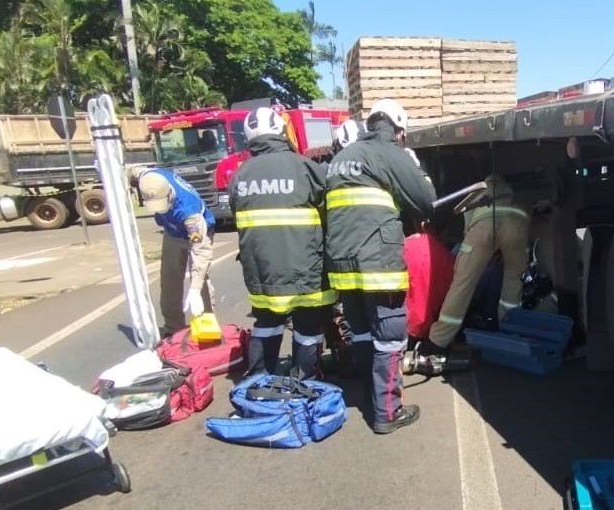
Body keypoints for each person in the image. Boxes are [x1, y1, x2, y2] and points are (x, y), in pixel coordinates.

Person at [324, 98, 435, 435]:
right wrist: (415, 168)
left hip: (342, 263)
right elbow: (425, 200)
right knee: (389, 334)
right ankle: (387, 412)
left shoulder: (342, 157)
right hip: (378, 261)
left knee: (360, 330)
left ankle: (366, 395)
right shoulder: (389, 152)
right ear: (398, 131)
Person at [228, 107, 336, 380]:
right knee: (308, 329)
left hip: (261, 272)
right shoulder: (305, 167)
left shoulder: (239, 175)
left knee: (266, 325)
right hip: (306, 269)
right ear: (280, 131)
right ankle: (306, 386)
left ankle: (259, 387)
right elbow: (329, 211)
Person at [421, 174, 531, 366]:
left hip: (482, 228)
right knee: (514, 280)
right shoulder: (515, 192)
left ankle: (438, 341)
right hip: (517, 227)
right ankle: (508, 328)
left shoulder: (477, 190)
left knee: (462, 283)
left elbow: (468, 230)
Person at [128, 165, 216, 337]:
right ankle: (173, 329)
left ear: (169, 194)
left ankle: (207, 328)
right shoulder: (149, 178)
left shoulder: (189, 212)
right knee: (169, 279)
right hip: (172, 232)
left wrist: (194, 290)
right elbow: (132, 170)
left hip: (198, 234)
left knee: (200, 280)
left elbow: (201, 251)